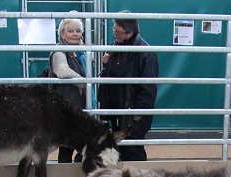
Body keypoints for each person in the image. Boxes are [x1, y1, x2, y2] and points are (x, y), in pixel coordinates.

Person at [98, 15, 158, 162]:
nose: (114, 34)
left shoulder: (145, 53)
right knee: (119, 149)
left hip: (133, 112)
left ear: (129, 32)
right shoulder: (115, 47)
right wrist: (107, 64)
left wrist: (140, 110)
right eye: (114, 30)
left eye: (118, 31)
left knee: (133, 149)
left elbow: (148, 86)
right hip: (117, 109)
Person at [51, 17, 88, 163]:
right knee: (66, 146)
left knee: (82, 143)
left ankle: (77, 174)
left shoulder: (82, 53)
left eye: (78, 31)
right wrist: (81, 83)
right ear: (62, 34)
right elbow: (62, 71)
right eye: (70, 31)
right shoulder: (59, 51)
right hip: (67, 105)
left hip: (79, 106)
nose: (75, 34)